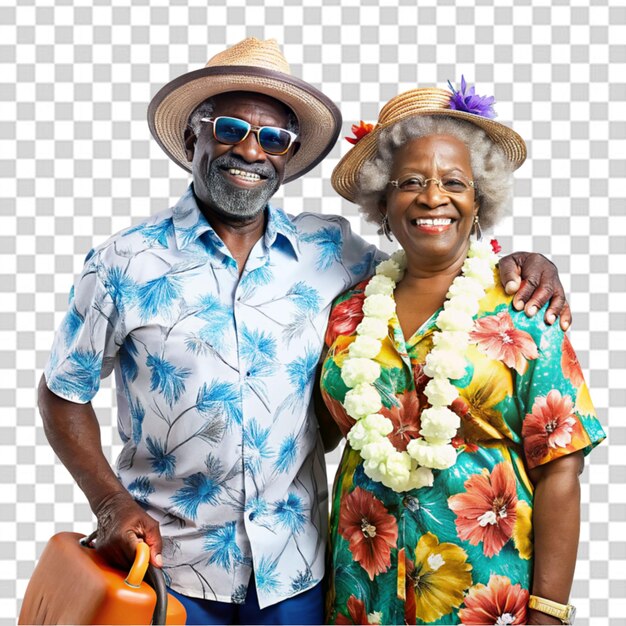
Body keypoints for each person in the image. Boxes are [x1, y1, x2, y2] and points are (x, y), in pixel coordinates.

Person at [38, 39, 570, 625]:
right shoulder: (123, 263)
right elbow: (63, 390)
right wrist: (109, 502)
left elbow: (431, 254)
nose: (249, 150)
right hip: (168, 570)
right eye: (230, 127)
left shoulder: (335, 255)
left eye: (271, 138)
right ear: (192, 138)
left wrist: (519, 260)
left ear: (287, 157)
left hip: (298, 573)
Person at [320, 81, 606, 625]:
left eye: (454, 182)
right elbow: (321, 431)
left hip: (485, 597)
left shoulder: (525, 310)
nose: (433, 197)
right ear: (383, 201)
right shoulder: (347, 314)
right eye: (410, 182)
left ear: (479, 202)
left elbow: (561, 470)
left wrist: (549, 613)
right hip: (363, 594)